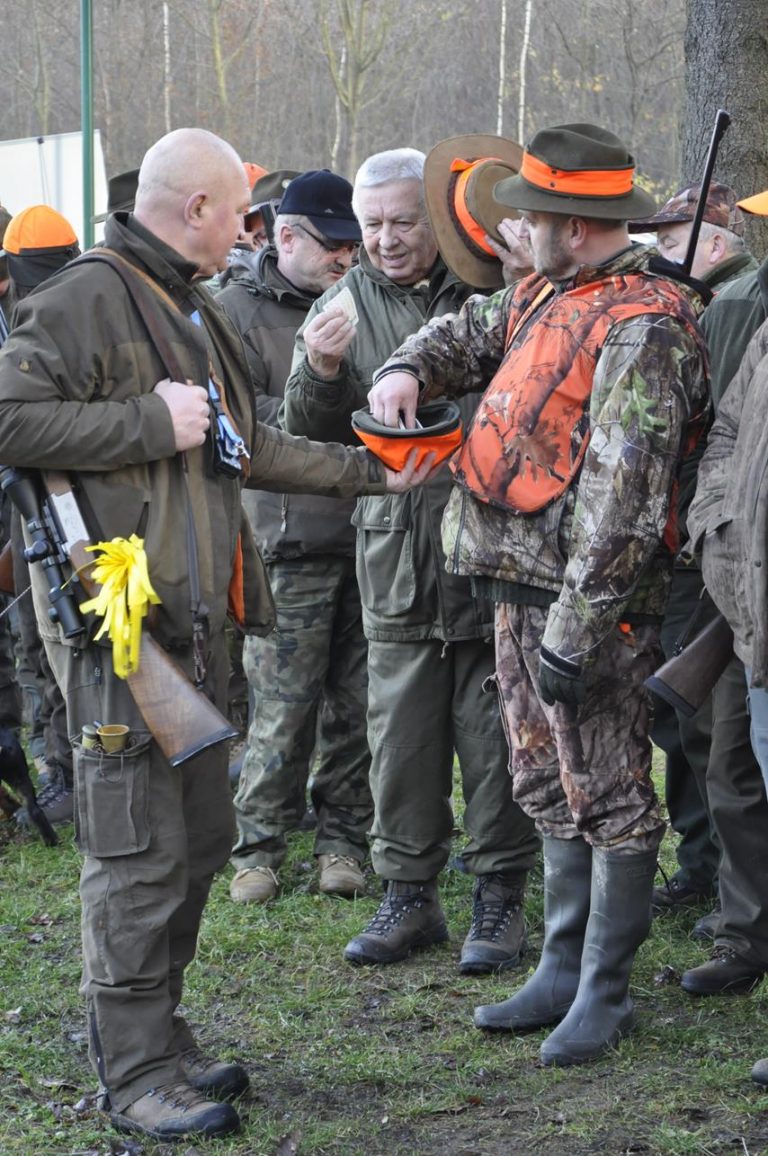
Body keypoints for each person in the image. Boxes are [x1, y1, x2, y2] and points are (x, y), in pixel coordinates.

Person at [0, 127, 431, 1143]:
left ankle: (163, 1036)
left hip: (198, 625)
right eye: (236, 211)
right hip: (118, 627)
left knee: (197, 840)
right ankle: (135, 1070)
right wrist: (150, 423)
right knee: (137, 851)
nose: (249, 228)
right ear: (193, 209)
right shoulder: (83, 298)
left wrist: (377, 470)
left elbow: (247, 443)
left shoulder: (188, 306)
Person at [367, 123, 708, 1066]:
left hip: (587, 601)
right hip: (512, 580)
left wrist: (581, 626)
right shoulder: (540, 292)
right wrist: (404, 368)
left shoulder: (645, 324)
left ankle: (605, 991)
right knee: (539, 778)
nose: (514, 228)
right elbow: (460, 333)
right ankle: (560, 967)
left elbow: (625, 499)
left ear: (575, 221)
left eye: (532, 214)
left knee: (607, 787)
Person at [283, 146, 539, 975]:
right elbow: (304, 431)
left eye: (402, 222)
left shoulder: (493, 294)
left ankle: (499, 896)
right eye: (370, 226)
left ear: (437, 219)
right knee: (399, 736)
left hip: (491, 550)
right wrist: (322, 370)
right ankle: (407, 894)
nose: (386, 240)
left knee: (495, 733)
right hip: (395, 559)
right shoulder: (341, 306)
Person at [218, 169, 371, 902]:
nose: (346, 257)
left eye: (354, 243)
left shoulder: (367, 298)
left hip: (369, 534)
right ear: (284, 236)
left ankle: (343, 841)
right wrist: (322, 374)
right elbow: (242, 433)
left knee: (358, 706)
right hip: (287, 543)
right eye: (332, 243)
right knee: (281, 708)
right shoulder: (232, 312)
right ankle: (258, 848)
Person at [628, 183, 759, 919]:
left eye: (668, 237)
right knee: (695, 715)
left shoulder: (731, 304)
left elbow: (711, 429)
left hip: (703, 545)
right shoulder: (715, 299)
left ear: (711, 240)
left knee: (708, 723)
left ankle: (716, 872)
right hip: (703, 540)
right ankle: (711, 867)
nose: (654, 253)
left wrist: (693, 523)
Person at [685, 184, 768, 1009]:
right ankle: (746, 934)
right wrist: (717, 522)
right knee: (735, 772)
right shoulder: (763, 325)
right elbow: (730, 432)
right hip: (746, 599)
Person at [1, 204, 82, 823]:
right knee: (39, 635)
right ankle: (58, 766)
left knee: (62, 633)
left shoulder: (57, 316)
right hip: (26, 496)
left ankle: (73, 768)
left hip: (63, 495)